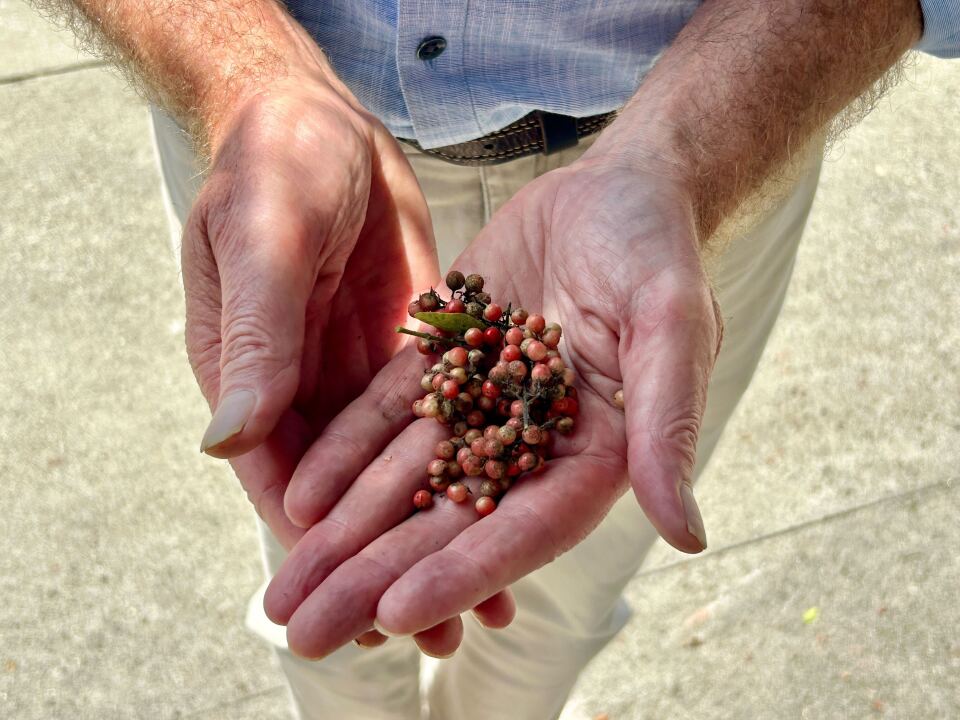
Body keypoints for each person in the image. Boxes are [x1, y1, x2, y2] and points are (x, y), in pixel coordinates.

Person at [37, 0, 958, 717]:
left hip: (701, 135)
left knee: (561, 594)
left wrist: (681, 156)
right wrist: (240, 74)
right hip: (277, 156)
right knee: (316, 558)